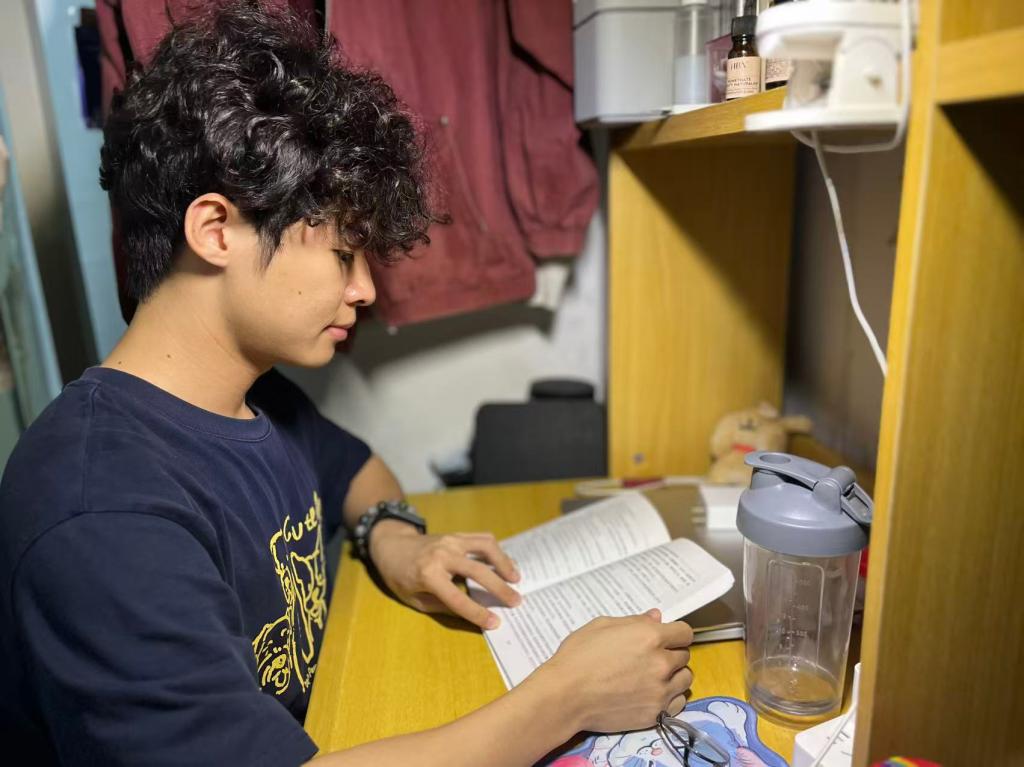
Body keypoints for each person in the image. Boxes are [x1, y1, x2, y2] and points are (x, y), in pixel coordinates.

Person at [0, 2, 695, 765]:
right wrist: (565, 697)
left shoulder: (247, 395)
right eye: (342, 254)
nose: (364, 289)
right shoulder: (99, 512)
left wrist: (394, 539)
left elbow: (353, 469)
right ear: (216, 230)